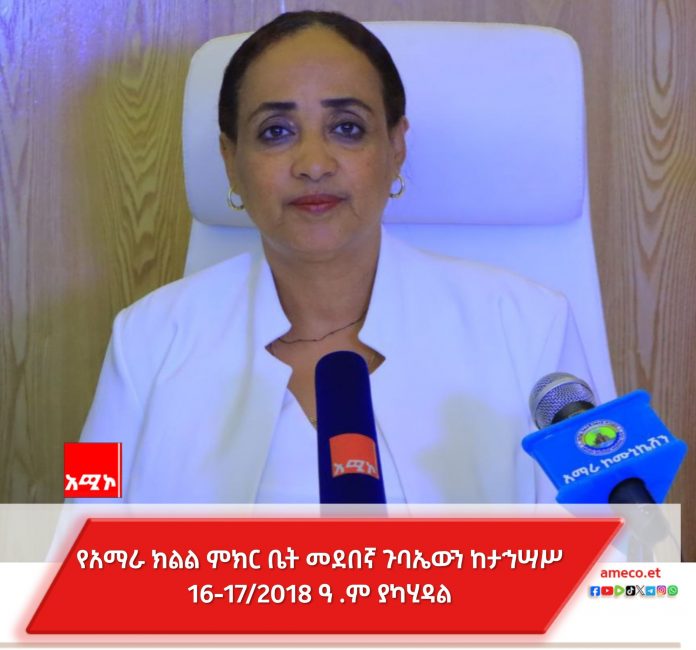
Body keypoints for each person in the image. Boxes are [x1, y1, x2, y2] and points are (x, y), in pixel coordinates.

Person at [77, 10, 594, 503]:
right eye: (276, 131)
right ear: (231, 162)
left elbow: (600, 544)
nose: (314, 164)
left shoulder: (528, 326)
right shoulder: (143, 338)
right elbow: (77, 525)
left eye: (346, 127)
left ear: (396, 147)